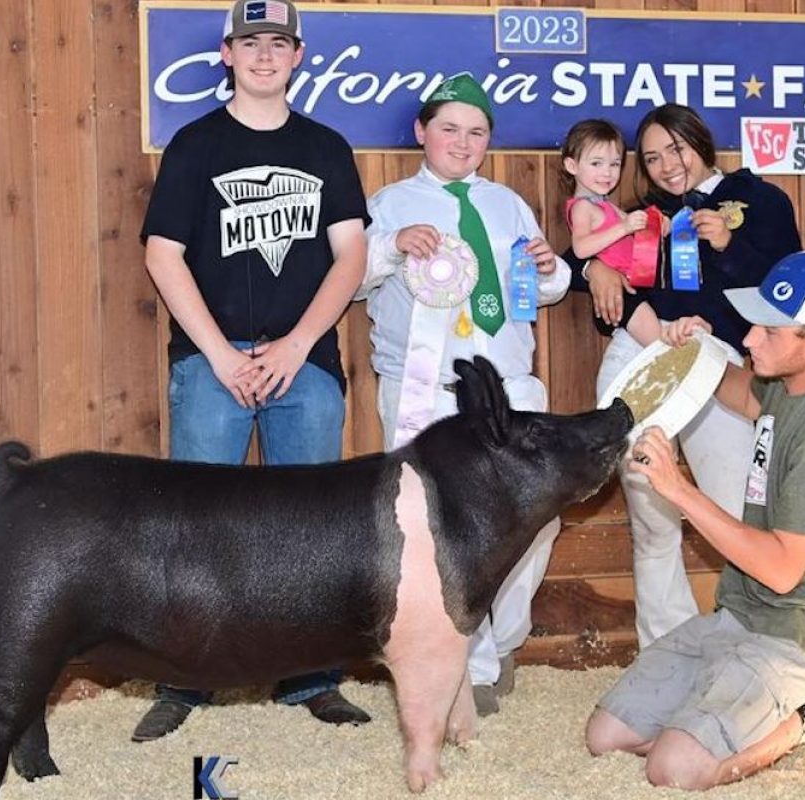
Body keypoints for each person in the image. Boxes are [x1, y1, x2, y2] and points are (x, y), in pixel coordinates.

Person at [132, 0, 371, 741]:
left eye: (278, 43)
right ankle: (187, 679)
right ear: (227, 54)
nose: (264, 54)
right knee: (198, 528)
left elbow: (352, 255)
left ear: (298, 55)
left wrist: (300, 344)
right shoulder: (195, 145)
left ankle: (311, 678)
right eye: (250, 42)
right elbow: (161, 254)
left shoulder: (328, 147)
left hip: (305, 359)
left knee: (312, 529)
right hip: (214, 360)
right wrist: (220, 354)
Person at [585, 250, 805, 789]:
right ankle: (727, 716)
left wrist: (680, 491)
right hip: (742, 615)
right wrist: (696, 352)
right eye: (755, 325)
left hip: (803, 633)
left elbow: (783, 571)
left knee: (672, 769)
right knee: (606, 736)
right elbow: (739, 392)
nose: (752, 339)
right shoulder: (794, 380)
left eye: (769, 332)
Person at [356, 73, 570, 716]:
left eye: (477, 132)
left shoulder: (506, 204)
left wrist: (548, 266)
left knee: (540, 518)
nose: (463, 141)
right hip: (427, 389)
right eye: (449, 128)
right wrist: (391, 248)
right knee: (438, 534)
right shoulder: (391, 203)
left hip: (511, 389)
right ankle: (463, 666)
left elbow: (547, 292)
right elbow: (354, 281)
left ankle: (501, 641)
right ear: (422, 132)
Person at [569, 103, 802, 650]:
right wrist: (593, 266)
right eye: (651, 159)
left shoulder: (762, 200)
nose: (667, 165)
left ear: (699, 141)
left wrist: (728, 244)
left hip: (719, 364)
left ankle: (758, 642)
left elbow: (784, 288)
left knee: (735, 508)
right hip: (646, 354)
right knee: (652, 518)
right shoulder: (643, 214)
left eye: (675, 149)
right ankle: (665, 651)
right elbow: (582, 260)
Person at [559, 119, 657, 347]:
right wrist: (624, 227)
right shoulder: (582, 207)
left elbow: (641, 229)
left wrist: (657, 223)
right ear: (572, 166)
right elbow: (581, 248)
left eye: (614, 164)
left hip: (634, 283)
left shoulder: (607, 206)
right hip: (618, 295)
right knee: (659, 344)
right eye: (596, 163)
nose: (607, 173)